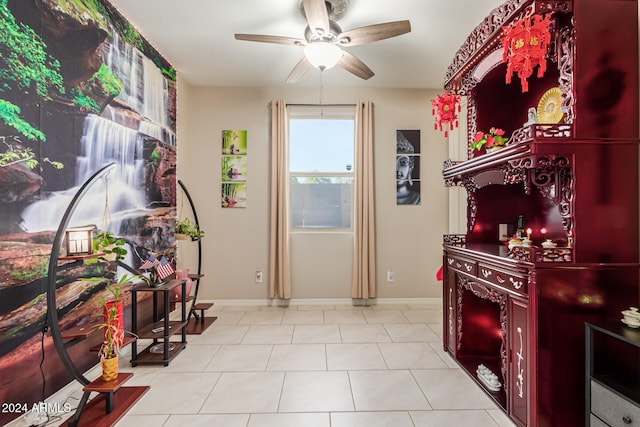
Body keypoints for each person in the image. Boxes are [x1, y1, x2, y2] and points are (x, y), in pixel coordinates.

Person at [396, 133, 420, 205]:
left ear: (410, 168)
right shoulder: (381, 199)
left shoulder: (418, 199)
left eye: (403, 163)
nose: (397, 169)